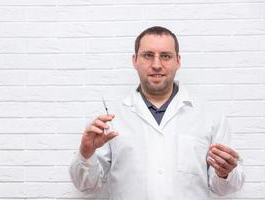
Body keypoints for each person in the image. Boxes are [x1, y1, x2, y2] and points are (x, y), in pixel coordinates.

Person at [69, 26, 245, 200]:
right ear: (135, 60)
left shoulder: (210, 116)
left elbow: (225, 188)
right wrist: (86, 154)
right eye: (148, 55)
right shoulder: (109, 119)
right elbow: (87, 186)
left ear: (178, 61)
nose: (156, 65)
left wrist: (225, 173)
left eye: (166, 56)